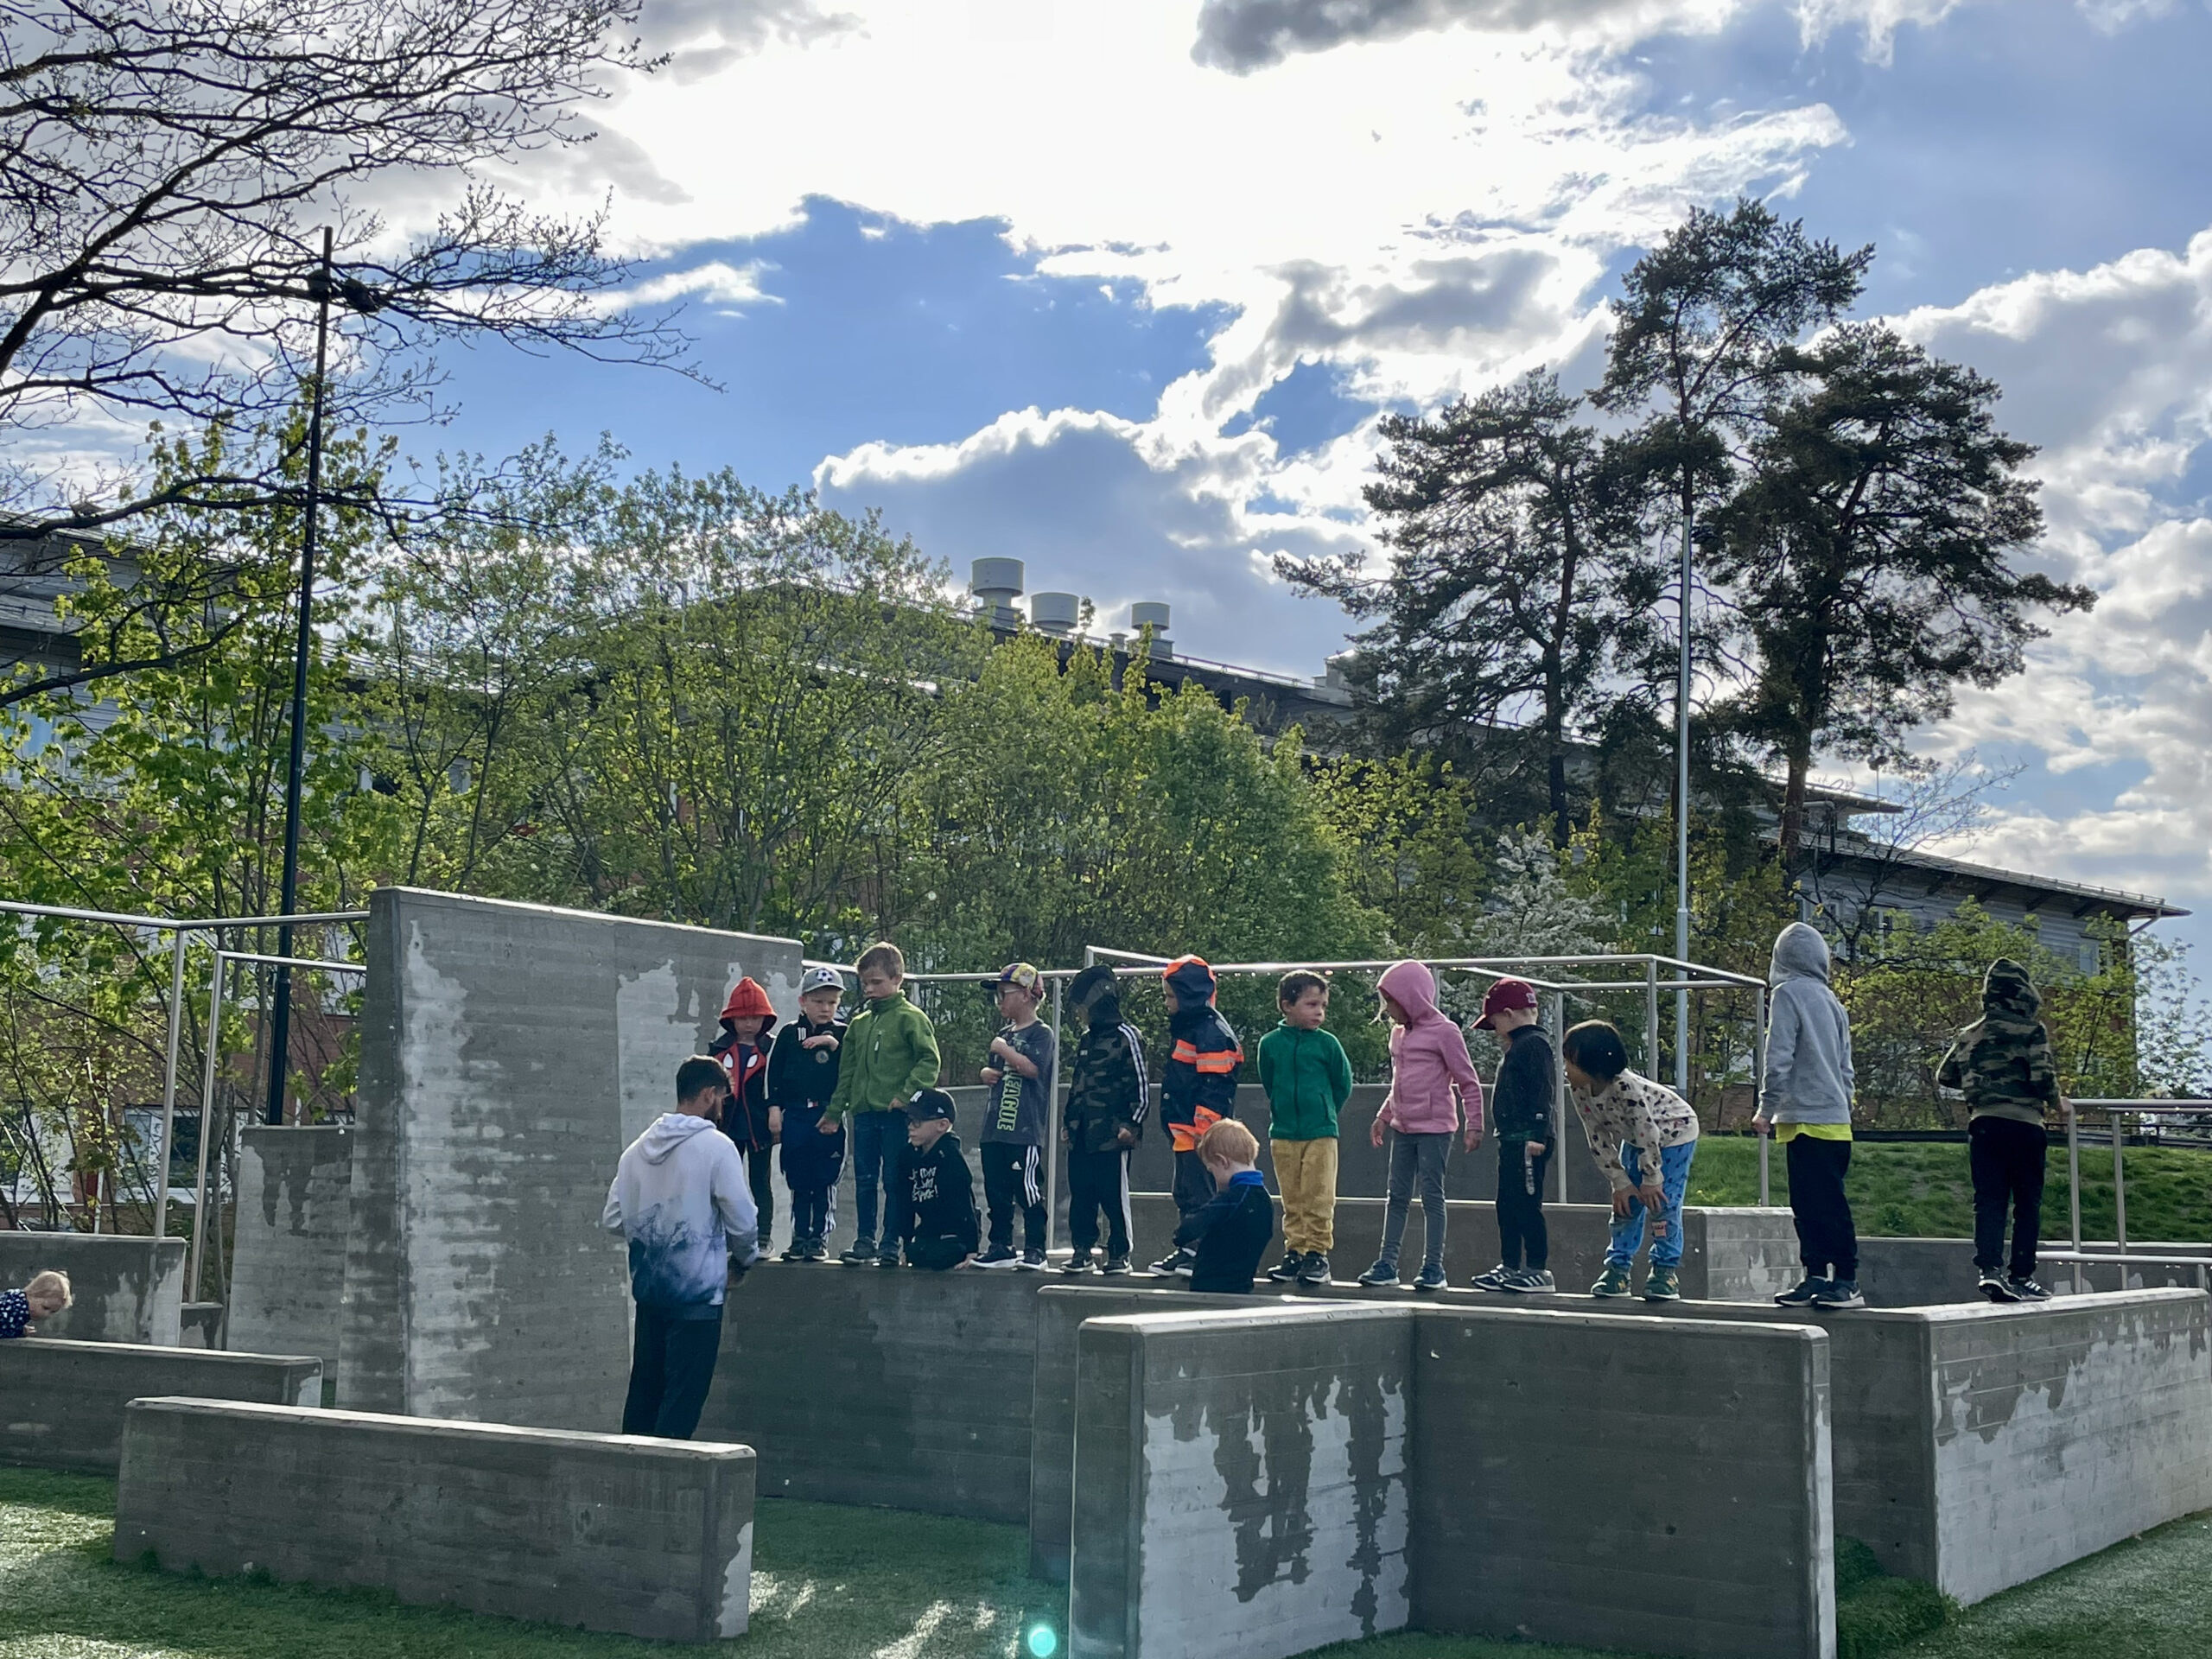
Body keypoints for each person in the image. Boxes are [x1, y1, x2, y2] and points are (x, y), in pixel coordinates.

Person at [602, 1057, 760, 1439]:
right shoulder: (717, 1148)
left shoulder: (636, 1151)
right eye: (722, 1099)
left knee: (644, 1399)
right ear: (709, 1095)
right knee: (681, 1405)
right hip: (698, 1300)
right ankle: (666, 1477)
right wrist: (743, 1260)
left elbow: (613, 1218)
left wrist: (656, 1236)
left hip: (650, 1297)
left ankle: (631, 1470)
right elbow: (742, 1220)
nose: (722, 1108)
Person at [1939, 958, 2067, 1304]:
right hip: (2024, 1125)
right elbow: (2043, 1077)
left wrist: (1981, 1082)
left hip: (1984, 1125)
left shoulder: (1970, 1034)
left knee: (1989, 1201)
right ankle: (2022, 1276)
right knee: (2026, 1203)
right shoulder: (2031, 1030)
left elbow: (1945, 1075)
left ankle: (1989, 1271)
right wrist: (2059, 1103)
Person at [1755, 922, 1865, 1310]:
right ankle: (1824, 1277)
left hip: (1803, 1117)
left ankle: (1841, 1278)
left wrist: (1766, 1108)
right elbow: (1846, 1066)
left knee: (1810, 1205)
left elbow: (1778, 1055)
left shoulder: (1786, 994)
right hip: (1834, 1118)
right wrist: (1843, 1104)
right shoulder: (1833, 1002)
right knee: (1829, 1201)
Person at [1356, 961, 1480, 1293]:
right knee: (1396, 1195)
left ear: (1411, 997)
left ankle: (1433, 1266)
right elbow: (1400, 1083)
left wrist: (1475, 1124)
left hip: (1435, 1128)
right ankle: (1387, 1263)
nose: (1387, 1009)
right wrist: (1384, 1116)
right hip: (1403, 1127)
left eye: (1392, 1001)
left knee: (1431, 1195)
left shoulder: (1445, 1032)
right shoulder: (1398, 1034)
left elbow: (1468, 1081)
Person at [823, 942, 943, 1268]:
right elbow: (847, 1071)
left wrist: (905, 1095)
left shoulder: (911, 1018)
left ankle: (892, 1240)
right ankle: (865, 1239)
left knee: (894, 1179)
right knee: (864, 1179)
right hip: (863, 1113)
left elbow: (929, 1061)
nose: (869, 989)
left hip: (895, 1115)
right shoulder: (859, 1024)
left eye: (876, 982)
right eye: (865, 983)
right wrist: (835, 1110)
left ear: (897, 979)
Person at [1563, 1020, 1700, 1302]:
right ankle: (1618, 1268)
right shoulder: (1579, 1090)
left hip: (1674, 1131)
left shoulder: (1625, 1088)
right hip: (1637, 1138)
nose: (1566, 1069)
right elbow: (1597, 1136)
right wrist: (1620, 1181)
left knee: (1661, 1202)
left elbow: (1647, 1130)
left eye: (1571, 1062)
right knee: (1626, 1205)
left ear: (1593, 1063)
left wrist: (1652, 1177)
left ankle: (1665, 1271)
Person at [1258, 970, 1354, 1287]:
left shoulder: (1328, 1044)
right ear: (1287, 1005)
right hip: (1284, 1132)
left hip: (1320, 1131)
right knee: (1292, 1196)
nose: (1319, 1012)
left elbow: (1342, 1083)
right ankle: (1295, 1251)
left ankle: (1317, 1252)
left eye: (1323, 1006)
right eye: (1311, 1005)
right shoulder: (1270, 1044)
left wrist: (1325, 1111)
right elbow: (1269, 1080)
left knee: (1318, 1193)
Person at [1150, 956, 1243, 1276]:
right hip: (1185, 1131)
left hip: (1200, 1133)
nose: (1167, 1003)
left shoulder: (1210, 1032)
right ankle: (1191, 1249)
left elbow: (1216, 1085)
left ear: (1188, 995)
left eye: (1171, 996)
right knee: (1187, 1192)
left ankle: (1202, 1251)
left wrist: (1205, 1128)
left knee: (1201, 1193)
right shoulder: (1193, 1028)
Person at [1467, 978, 1555, 1294]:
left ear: (1508, 1014)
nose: (1496, 1032)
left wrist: (1538, 1131)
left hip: (1527, 1138)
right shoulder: (1519, 1046)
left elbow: (1542, 1091)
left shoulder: (1533, 1045)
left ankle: (1537, 1267)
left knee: (1526, 1204)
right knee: (1507, 1204)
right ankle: (1510, 1264)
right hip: (1511, 1138)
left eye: (1495, 1023)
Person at [1060, 963, 1147, 1275]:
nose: (1079, 1013)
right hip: (1082, 1134)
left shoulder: (1127, 1037)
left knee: (1114, 1196)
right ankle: (1082, 1250)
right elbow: (1077, 1086)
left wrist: (1131, 1124)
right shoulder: (1087, 1040)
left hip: (1112, 1136)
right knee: (1082, 1195)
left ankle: (1120, 1252)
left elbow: (1139, 1085)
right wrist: (1069, 1123)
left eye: (1081, 1005)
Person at [977, 962, 1056, 1270]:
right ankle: (1001, 1244)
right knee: (996, 1190)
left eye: (1004, 993)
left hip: (1023, 1130)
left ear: (1026, 995)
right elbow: (995, 1069)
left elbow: (1032, 1069)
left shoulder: (1041, 1034)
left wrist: (1004, 1049)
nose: (999, 1001)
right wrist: (986, 1072)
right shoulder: (1003, 1034)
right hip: (994, 1128)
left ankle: (1035, 1247)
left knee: (1027, 1188)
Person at [768, 965, 848, 1262]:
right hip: (796, 1114)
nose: (825, 1008)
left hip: (828, 1113)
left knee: (824, 1179)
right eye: (818, 1001)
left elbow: (850, 1071)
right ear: (803, 1001)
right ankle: (799, 1236)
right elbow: (773, 1075)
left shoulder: (844, 1034)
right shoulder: (790, 1034)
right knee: (798, 1178)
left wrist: (833, 1044)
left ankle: (819, 1238)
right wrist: (774, 1109)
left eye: (832, 1002)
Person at [709, 976, 779, 1243]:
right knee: (727, 1185)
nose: (749, 1024)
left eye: (755, 1018)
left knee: (760, 1182)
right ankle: (729, 1235)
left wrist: (776, 1115)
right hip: (727, 1127)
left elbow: (778, 1086)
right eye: (743, 1018)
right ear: (732, 1019)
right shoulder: (718, 1049)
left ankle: (763, 1236)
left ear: (765, 1019)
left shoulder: (772, 1048)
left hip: (759, 1127)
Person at [1176, 1118, 1276, 1294]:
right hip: (1243, 1287)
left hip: (1211, 1288)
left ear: (1222, 1161)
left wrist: (1179, 1235)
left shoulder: (1231, 1198)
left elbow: (1188, 1230)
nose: (1213, 1176)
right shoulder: (1265, 1200)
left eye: (1212, 1170)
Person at [891, 1088, 981, 1271]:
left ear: (942, 1125)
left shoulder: (949, 1156)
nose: (910, 1126)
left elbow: (965, 1202)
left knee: (942, 1254)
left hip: (954, 1233)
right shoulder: (907, 1156)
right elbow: (904, 1202)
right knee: (919, 1253)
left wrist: (972, 1250)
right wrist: (906, 1244)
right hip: (928, 1232)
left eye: (917, 1121)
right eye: (909, 1120)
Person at [0, 1269, 71, 1338]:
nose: (46, 1315)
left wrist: (17, 1326)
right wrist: (21, 1331)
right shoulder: (19, 1309)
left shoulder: (16, 1296)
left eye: (53, 1312)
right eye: (45, 1307)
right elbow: (3, 1329)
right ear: (32, 1295)